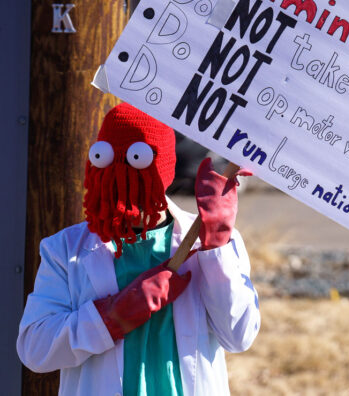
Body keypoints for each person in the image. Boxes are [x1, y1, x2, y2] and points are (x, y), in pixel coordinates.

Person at [17, 103, 260, 396]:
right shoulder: (65, 250)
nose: (119, 176)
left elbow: (239, 336)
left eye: (135, 161)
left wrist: (216, 249)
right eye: (106, 158)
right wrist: (109, 318)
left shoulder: (207, 241)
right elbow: (34, 349)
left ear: (164, 170)